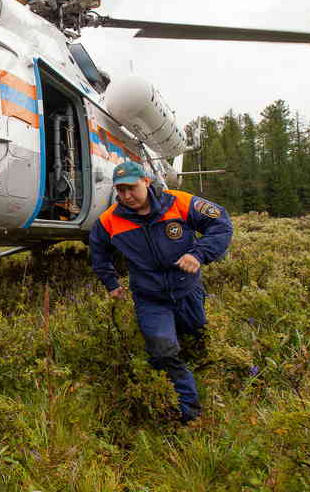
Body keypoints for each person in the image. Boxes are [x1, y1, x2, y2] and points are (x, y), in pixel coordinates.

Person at [89, 161, 232, 424]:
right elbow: (98, 253)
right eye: (119, 190)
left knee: (197, 339)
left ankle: (207, 383)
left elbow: (221, 225)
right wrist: (111, 283)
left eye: (130, 188)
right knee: (163, 351)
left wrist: (198, 254)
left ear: (146, 181)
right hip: (150, 298)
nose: (125, 196)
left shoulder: (180, 202)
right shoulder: (110, 220)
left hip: (188, 291)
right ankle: (189, 415)